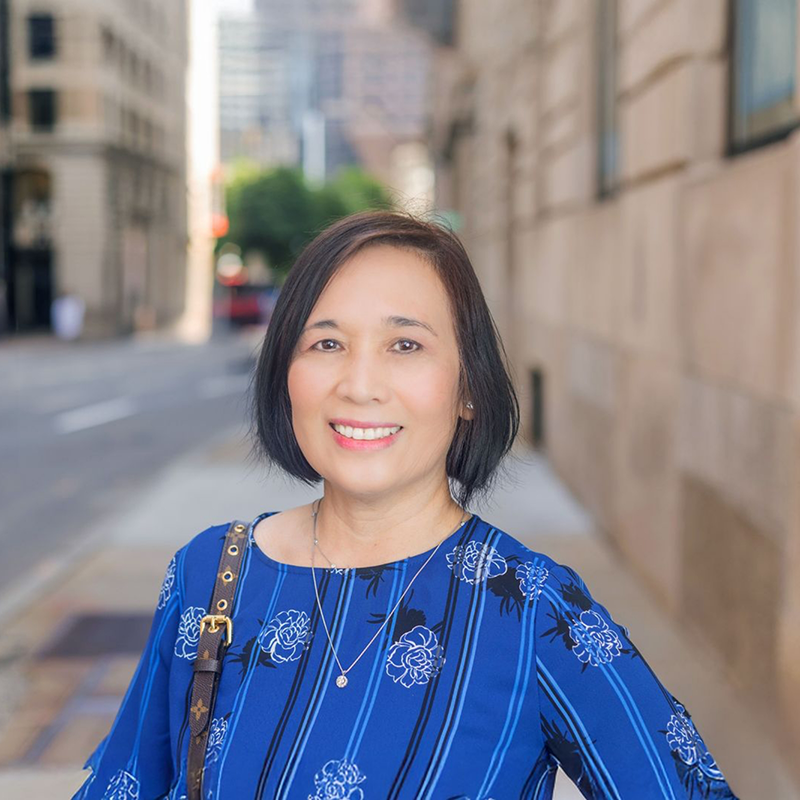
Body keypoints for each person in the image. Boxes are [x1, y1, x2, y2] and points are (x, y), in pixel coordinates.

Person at [72, 210, 740, 799]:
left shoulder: (536, 611)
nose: (360, 385)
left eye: (406, 345)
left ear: (468, 388)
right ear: (286, 376)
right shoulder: (209, 573)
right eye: (327, 342)